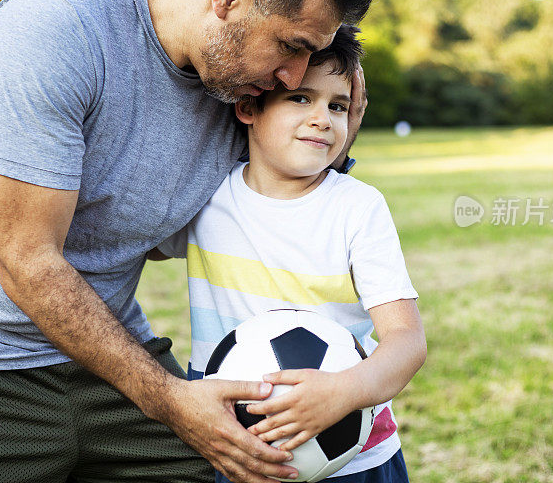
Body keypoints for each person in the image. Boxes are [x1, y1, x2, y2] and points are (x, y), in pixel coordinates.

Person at [0, 0, 375, 482]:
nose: (295, 75)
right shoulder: (54, 30)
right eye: (291, 45)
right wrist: (170, 399)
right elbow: (27, 262)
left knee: (250, 466)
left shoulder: (240, 86)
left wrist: (341, 135)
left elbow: (264, 192)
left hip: (108, 359)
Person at [152, 26, 427, 482]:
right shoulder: (206, 197)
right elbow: (126, 246)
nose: (323, 118)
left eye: (338, 106)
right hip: (238, 452)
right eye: (301, 98)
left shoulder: (357, 207)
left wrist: (343, 392)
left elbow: (407, 341)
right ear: (248, 107)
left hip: (354, 460)